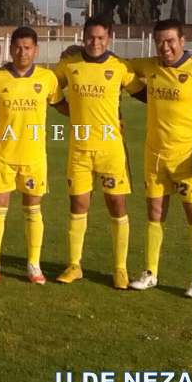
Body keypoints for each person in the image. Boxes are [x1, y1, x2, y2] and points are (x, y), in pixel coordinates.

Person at [127, 18, 192, 298]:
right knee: (154, 214)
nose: (164, 47)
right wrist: (78, 52)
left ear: (182, 40)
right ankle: (150, 272)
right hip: (155, 155)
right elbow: (118, 65)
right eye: (159, 41)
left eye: (169, 41)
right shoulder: (150, 66)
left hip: (187, 157)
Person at [52, 18, 139, 289]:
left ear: (109, 38)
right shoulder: (69, 64)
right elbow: (50, 89)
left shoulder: (120, 67)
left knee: (117, 205)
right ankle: (74, 265)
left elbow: (145, 93)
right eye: (90, 37)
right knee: (78, 205)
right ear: (83, 36)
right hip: (80, 149)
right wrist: (71, 112)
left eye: (100, 38)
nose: (95, 42)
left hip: (111, 150)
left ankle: (120, 268)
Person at [0, 26, 66, 284]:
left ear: (36, 50)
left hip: (34, 156)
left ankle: (34, 265)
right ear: (10, 49)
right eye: (17, 47)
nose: (22, 52)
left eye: (27, 48)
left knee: (33, 209)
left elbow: (62, 106)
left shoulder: (47, 78)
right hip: (3, 155)